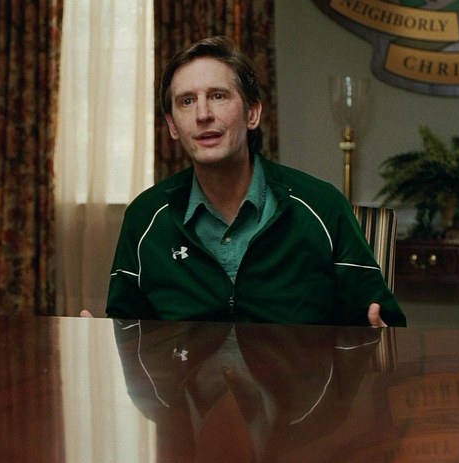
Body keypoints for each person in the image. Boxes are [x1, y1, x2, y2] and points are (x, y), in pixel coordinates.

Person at [85, 36, 405, 327]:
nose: (202, 114)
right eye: (186, 101)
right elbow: (126, 336)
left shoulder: (322, 207)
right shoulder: (145, 217)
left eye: (218, 96)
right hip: (181, 376)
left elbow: (384, 324)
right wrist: (96, 341)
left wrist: (379, 342)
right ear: (172, 125)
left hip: (298, 376)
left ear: (252, 113)